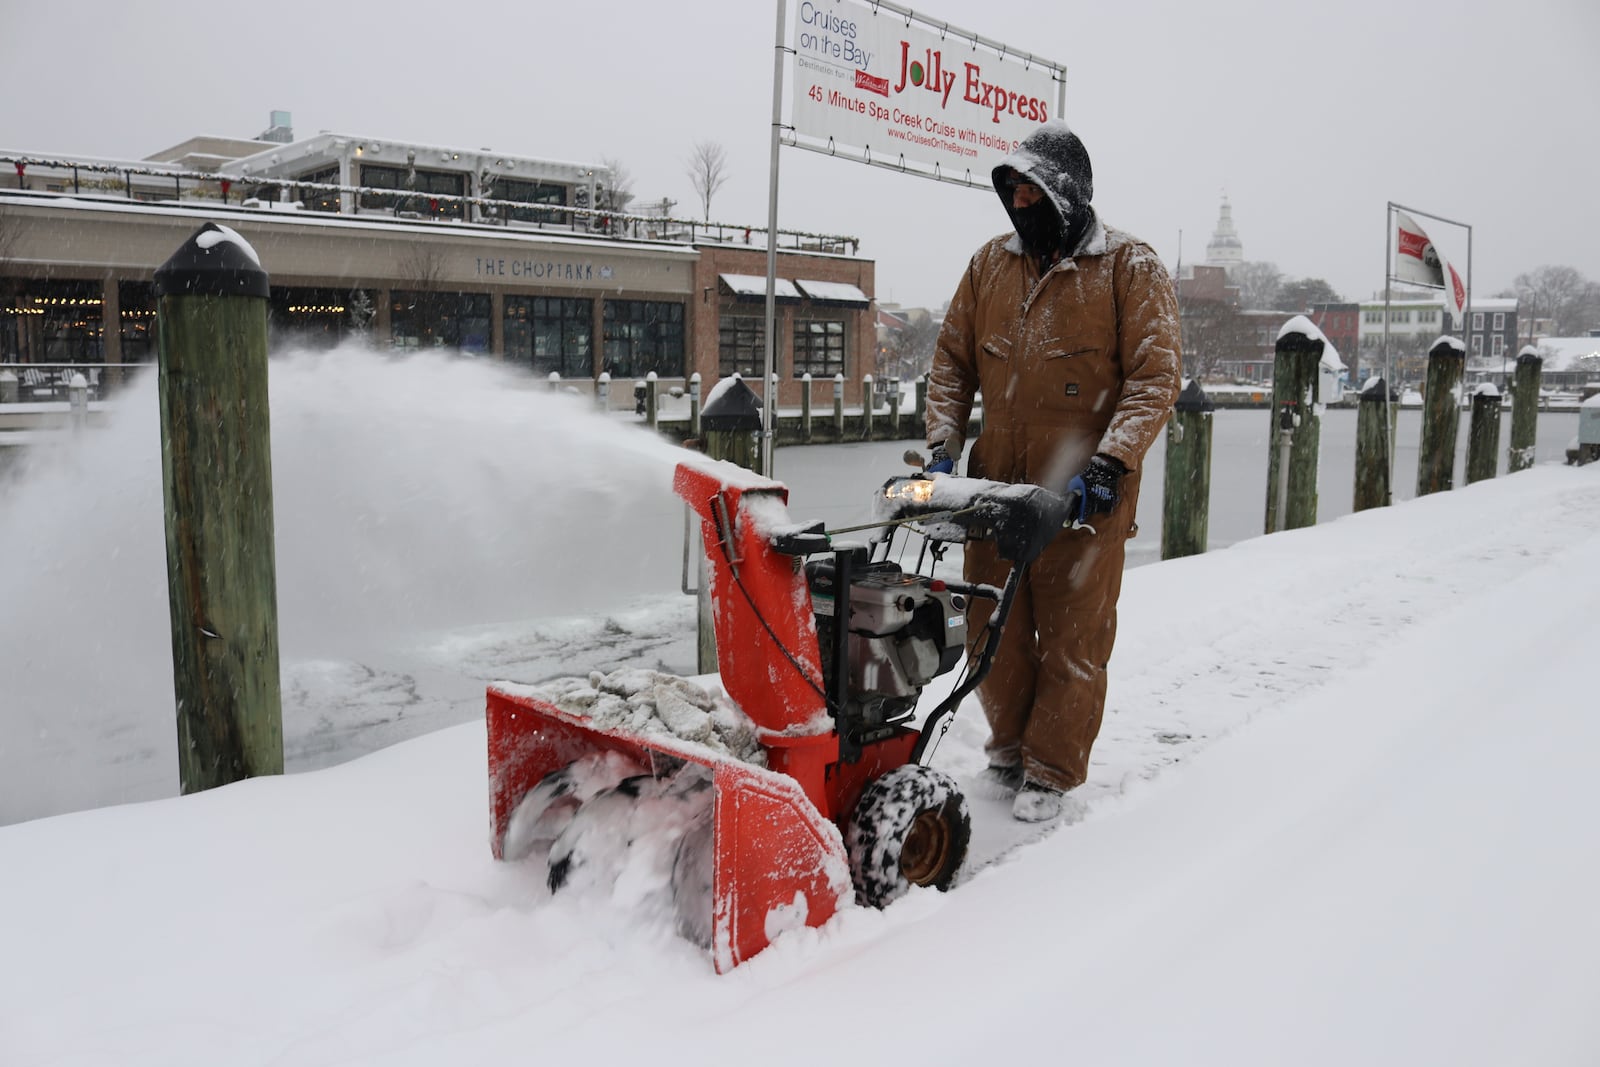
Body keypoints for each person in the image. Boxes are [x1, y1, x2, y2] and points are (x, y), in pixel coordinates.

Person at [924, 122, 1182, 822]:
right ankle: (1007, 749)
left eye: (1035, 193)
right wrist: (943, 439)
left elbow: (1155, 377)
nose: (1022, 206)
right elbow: (951, 360)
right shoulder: (989, 266)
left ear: (1068, 196)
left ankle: (1052, 767)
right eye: (1014, 194)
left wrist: (1112, 461)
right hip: (996, 490)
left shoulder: (1131, 268)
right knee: (990, 625)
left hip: (1083, 498)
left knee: (1073, 636)